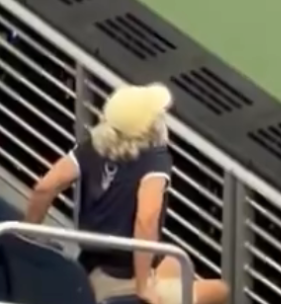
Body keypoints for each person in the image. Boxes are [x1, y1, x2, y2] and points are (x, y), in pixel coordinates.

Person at [24, 83, 228, 304]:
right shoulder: (155, 159)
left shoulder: (92, 145)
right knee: (220, 290)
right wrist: (142, 286)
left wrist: (25, 238)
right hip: (119, 279)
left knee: (174, 263)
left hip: (90, 261)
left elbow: (45, 187)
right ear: (147, 127)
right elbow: (146, 220)